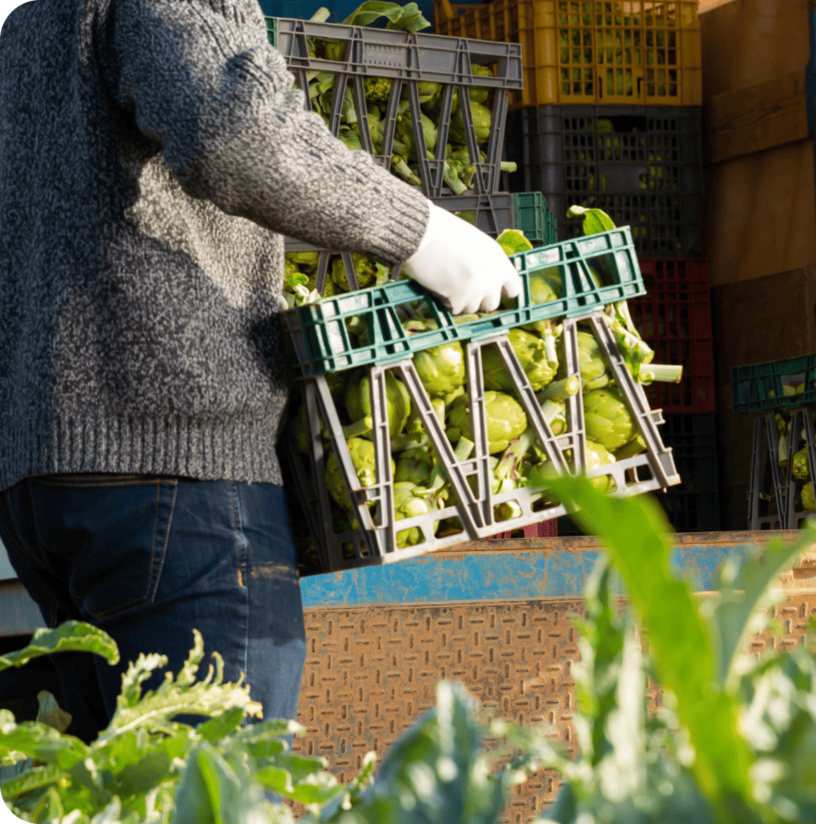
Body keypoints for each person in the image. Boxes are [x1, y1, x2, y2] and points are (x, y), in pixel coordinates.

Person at [0, 0, 520, 741]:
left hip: (46, 473)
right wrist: (424, 232)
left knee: (131, 789)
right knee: (221, 788)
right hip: (173, 468)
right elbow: (235, 131)